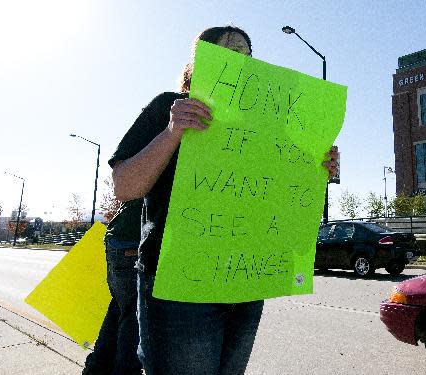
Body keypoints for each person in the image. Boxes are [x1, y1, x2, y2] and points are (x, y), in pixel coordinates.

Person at [110, 26, 339, 374]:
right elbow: (125, 186)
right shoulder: (168, 108)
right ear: (199, 62)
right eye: (227, 53)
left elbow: (282, 209)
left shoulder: (268, 132)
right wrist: (173, 133)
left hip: (245, 285)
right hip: (179, 288)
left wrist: (315, 170)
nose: (239, 63)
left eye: (247, 56)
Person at [83, 199, 143, 375]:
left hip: (119, 239)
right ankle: (125, 370)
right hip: (134, 241)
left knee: (120, 308)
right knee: (135, 315)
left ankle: (96, 368)